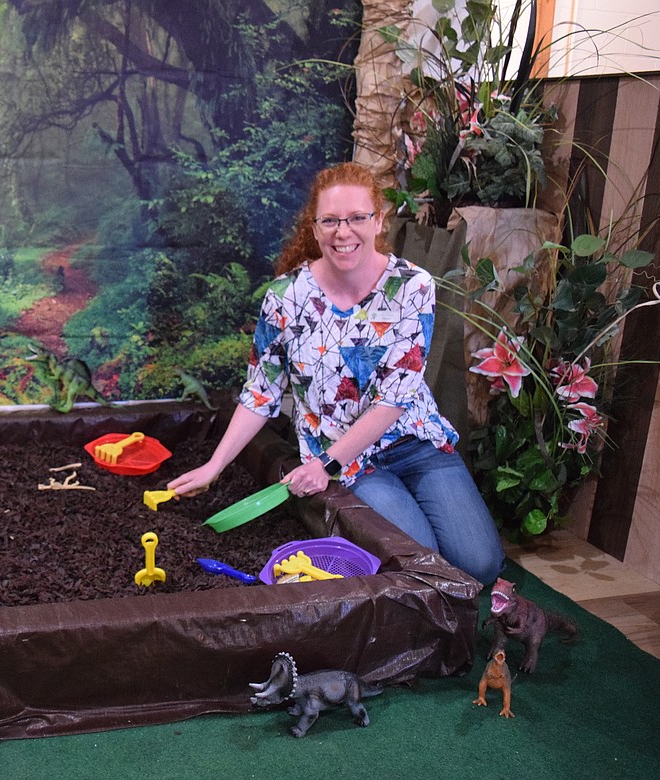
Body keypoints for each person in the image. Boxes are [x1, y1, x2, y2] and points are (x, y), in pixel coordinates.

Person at [168, 162, 504, 587]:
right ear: (314, 226)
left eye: (357, 218)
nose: (343, 232)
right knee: (422, 562)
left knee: (480, 563)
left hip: (414, 443)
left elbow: (395, 396)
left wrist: (323, 463)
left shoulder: (412, 286)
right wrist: (215, 466)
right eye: (330, 221)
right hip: (350, 465)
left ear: (378, 220)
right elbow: (260, 392)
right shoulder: (285, 298)